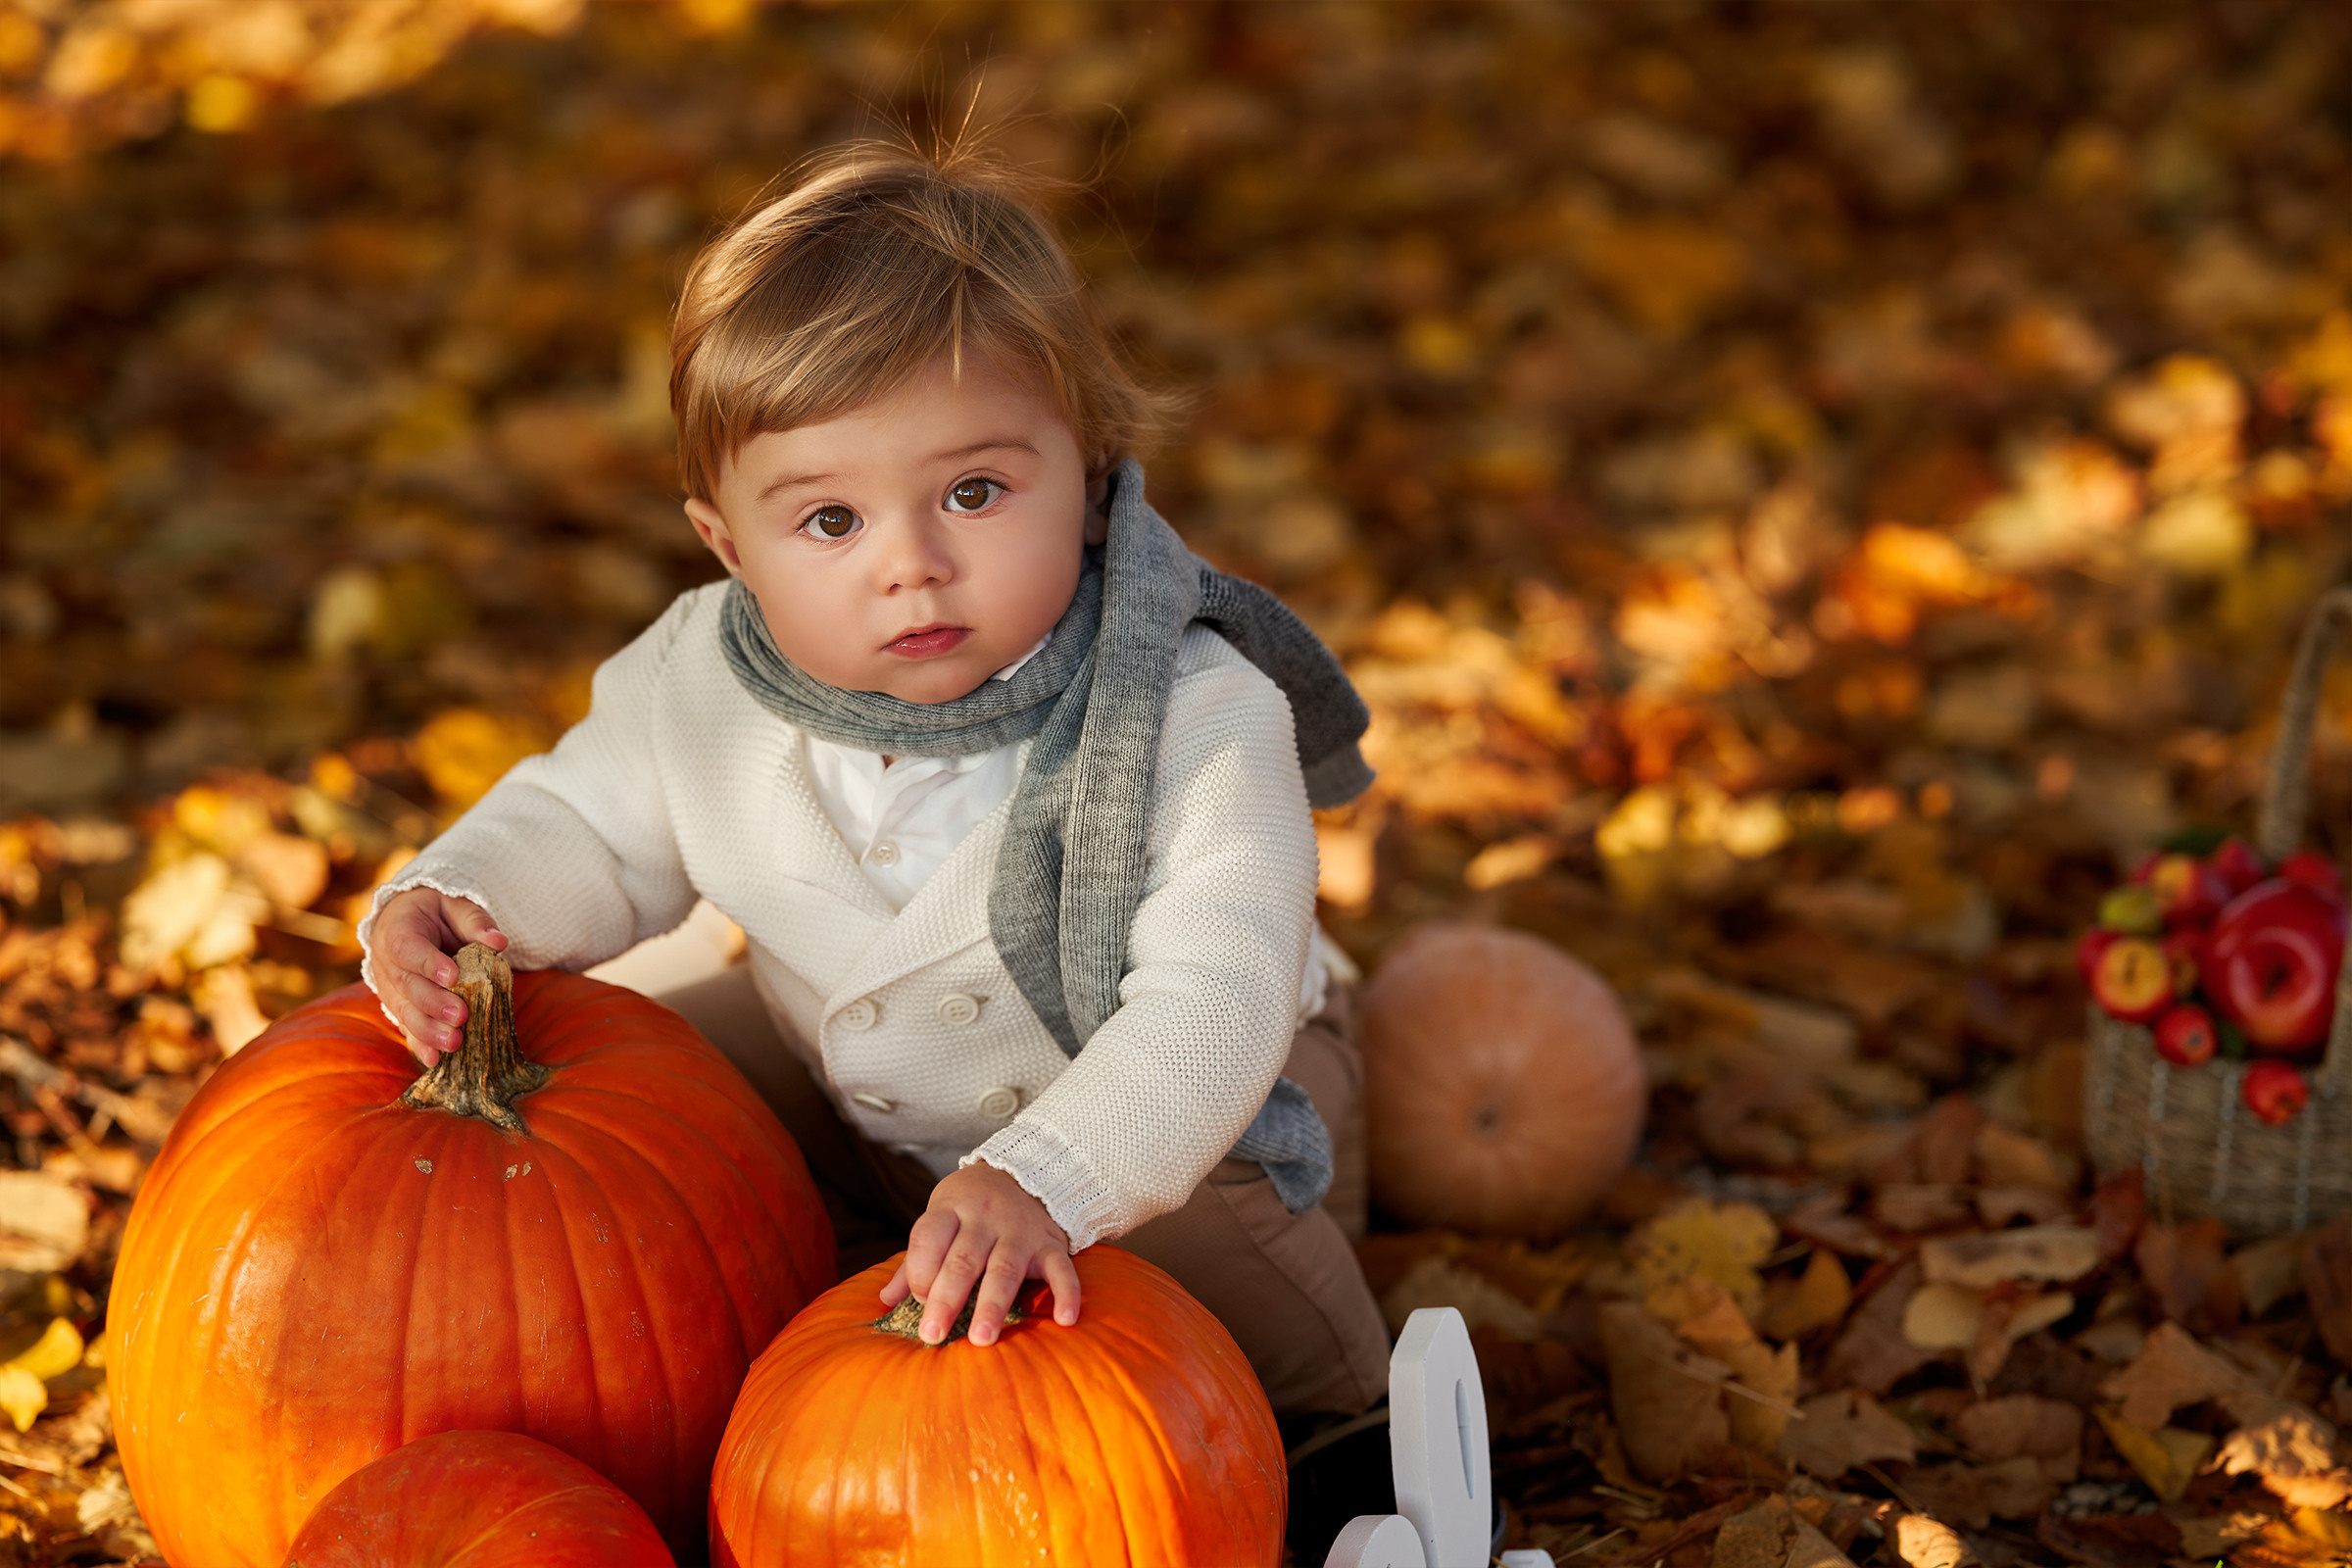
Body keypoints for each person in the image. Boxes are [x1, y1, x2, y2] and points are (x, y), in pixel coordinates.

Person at [358, 142, 1392, 1447]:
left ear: (1089, 476)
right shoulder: (708, 678)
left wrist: (1050, 1179)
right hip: (861, 1081)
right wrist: (462, 899)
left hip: (1162, 1097)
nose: (912, 564)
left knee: (1217, 1283)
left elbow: (1214, 996)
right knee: (636, 1061)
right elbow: (588, 820)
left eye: (973, 491)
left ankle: (1355, 1439)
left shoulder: (1183, 710)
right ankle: (658, 1381)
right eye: (831, 522)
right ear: (730, 547)